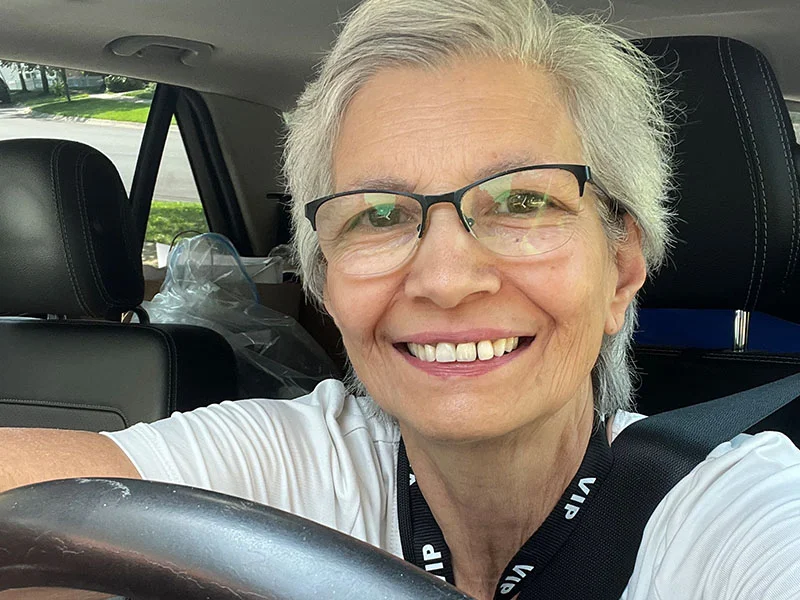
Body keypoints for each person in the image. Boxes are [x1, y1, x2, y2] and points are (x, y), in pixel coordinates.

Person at [2, 0, 799, 598]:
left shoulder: (738, 512)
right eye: (378, 215)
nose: (447, 279)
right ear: (326, 285)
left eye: (525, 202)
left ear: (621, 269)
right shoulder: (288, 464)